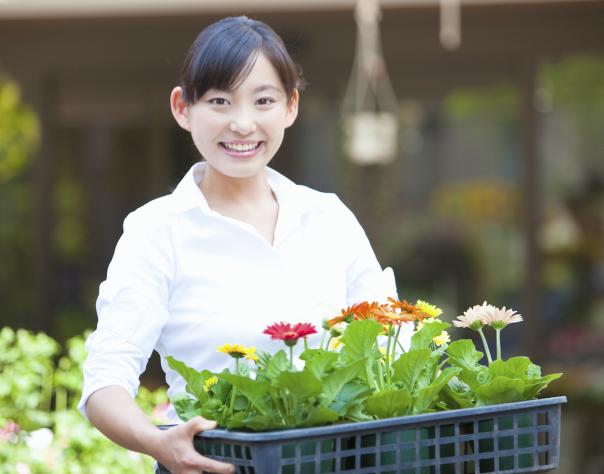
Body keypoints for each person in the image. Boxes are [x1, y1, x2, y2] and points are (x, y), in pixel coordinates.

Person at [80, 16, 411, 474]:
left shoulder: (328, 217)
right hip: (210, 464)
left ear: (290, 106)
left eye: (263, 100)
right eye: (219, 101)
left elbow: (391, 341)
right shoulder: (156, 230)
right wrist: (160, 444)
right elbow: (105, 381)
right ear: (182, 108)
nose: (242, 123)